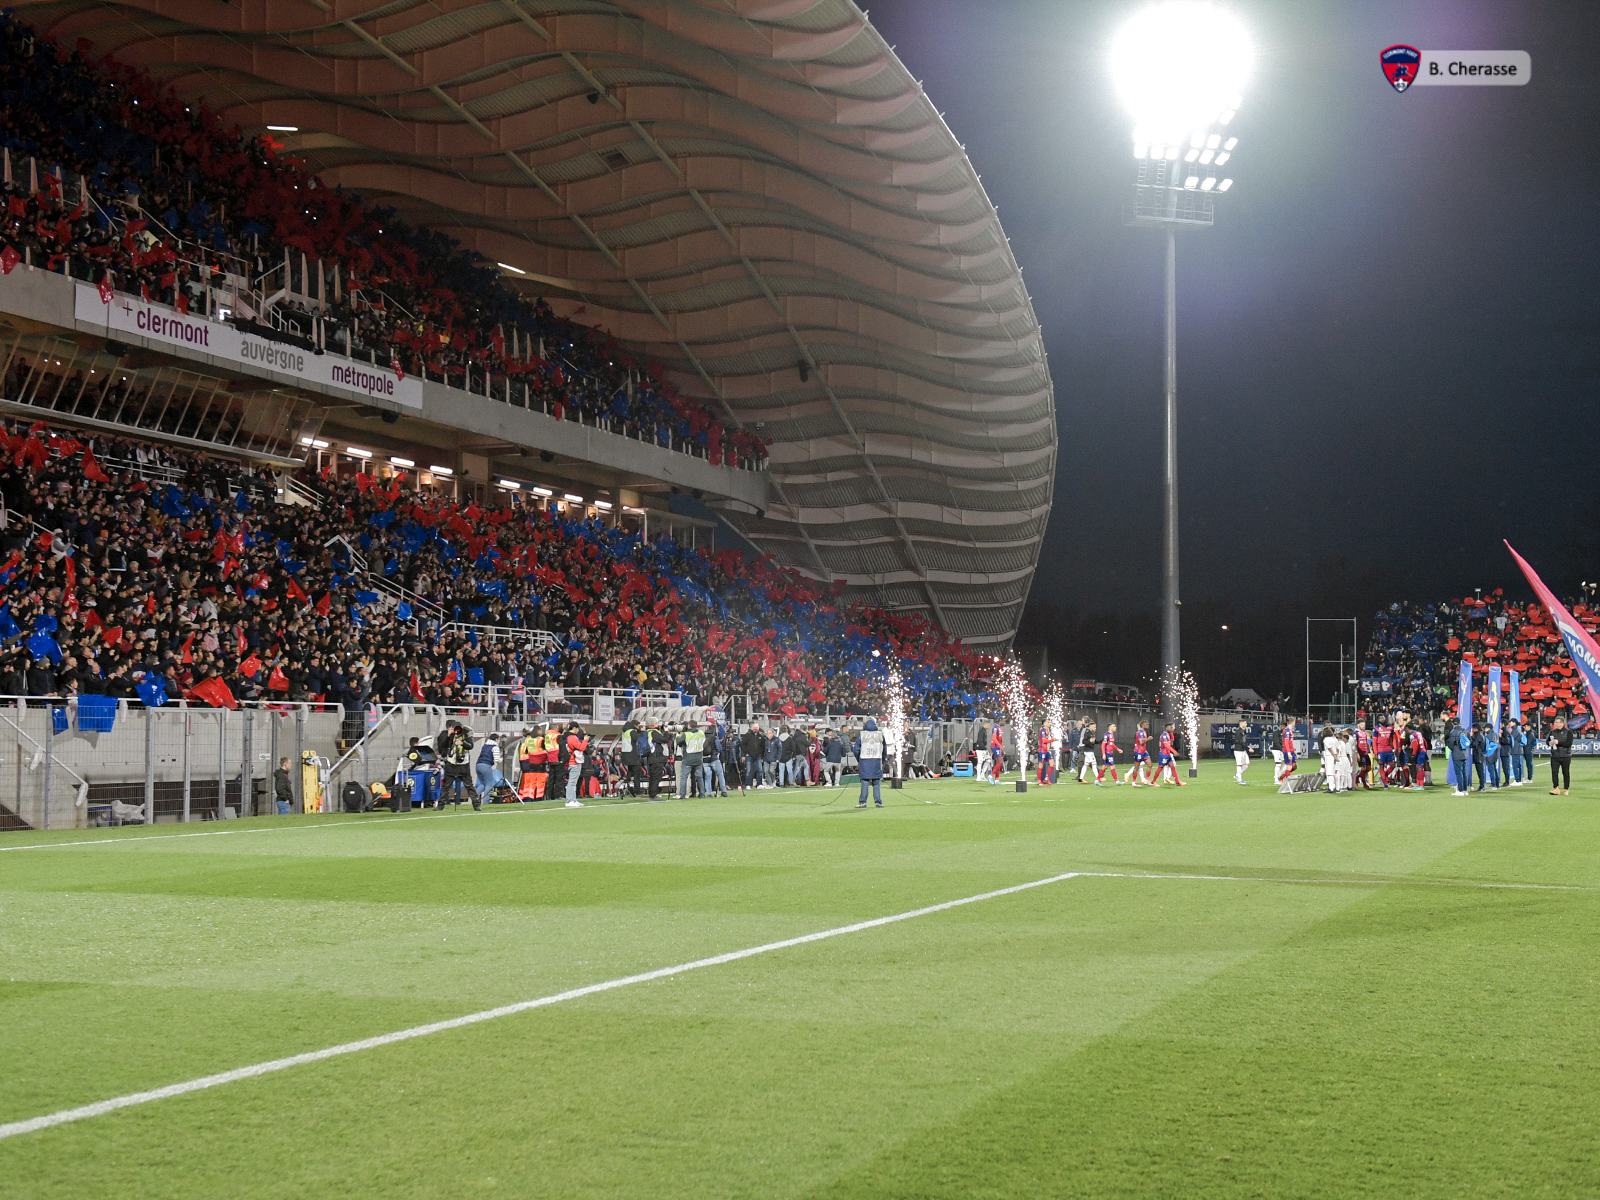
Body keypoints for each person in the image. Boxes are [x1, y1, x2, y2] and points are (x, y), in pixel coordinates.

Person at [438, 721, 479, 810]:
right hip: (451, 763)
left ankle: (476, 805)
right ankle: (440, 805)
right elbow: (442, 746)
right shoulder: (449, 735)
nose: (457, 731)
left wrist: (462, 743)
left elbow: (471, 746)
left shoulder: (467, 733)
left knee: (469, 786)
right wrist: (448, 736)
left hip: (464, 764)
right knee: (446, 786)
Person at [855, 717, 884, 808]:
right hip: (876, 760)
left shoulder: (862, 734)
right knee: (876, 783)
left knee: (865, 782)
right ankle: (878, 802)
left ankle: (863, 802)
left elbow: (856, 749)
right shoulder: (880, 734)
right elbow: (885, 750)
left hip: (864, 760)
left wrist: (858, 759)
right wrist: (882, 761)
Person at [564, 722, 589, 805]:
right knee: (572, 782)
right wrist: (585, 741)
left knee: (573, 782)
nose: (578, 730)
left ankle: (573, 799)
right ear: (574, 728)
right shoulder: (572, 737)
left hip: (574, 761)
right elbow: (581, 747)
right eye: (577, 728)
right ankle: (569, 800)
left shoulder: (569, 737)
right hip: (574, 762)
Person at [1548, 715, 1573, 795]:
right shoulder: (1552, 732)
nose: (1557, 724)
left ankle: (1566, 789)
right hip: (1555, 755)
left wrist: (1558, 742)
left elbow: (1569, 743)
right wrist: (1550, 743)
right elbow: (1547, 741)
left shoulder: (1568, 732)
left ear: (1563, 723)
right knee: (1554, 772)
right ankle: (1556, 788)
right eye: (1556, 722)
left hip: (1566, 755)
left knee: (1565, 773)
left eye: (1559, 723)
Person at [475, 731, 500, 800]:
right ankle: (486, 801)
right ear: (496, 739)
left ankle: (474, 799)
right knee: (489, 784)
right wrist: (501, 759)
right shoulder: (495, 747)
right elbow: (496, 759)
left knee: (482, 784)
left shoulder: (485, 746)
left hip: (478, 765)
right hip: (486, 765)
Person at [742, 722, 766, 790]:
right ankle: (748, 784)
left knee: (760, 770)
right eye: (754, 727)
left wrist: (761, 755)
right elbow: (743, 745)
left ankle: (759, 784)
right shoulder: (747, 736)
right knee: (748, 771)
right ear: (751, 728)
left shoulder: (761, 737)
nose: (756, 729)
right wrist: (746, 753)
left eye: (757, 728)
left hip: (758, 756)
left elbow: (763, 747)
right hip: (749, 756)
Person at [1129, 720, 1153, 787]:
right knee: (1137, 767)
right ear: (1142, 725)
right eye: (1146, 724)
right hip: (1138, 752)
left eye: (1148, 724)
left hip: (1143, 751)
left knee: (1150, 764)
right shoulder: (1140, 732)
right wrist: (1148, 739)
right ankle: (1133, 782)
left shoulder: (1144, 732)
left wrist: (1145, 749)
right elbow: (1141, 742)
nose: (1147, 725)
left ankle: (1146, 780)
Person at [1354, 720, 1374, 790]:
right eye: (1362, 724)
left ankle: (1356, 778)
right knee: (1363, 768)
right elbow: (1355, 744)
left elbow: (1366, 742)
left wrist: (1371, 751)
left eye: (1364, 724)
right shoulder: (1356, 733)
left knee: (1369, 768)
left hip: (1366, 753)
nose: (1363, 726)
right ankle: (1364, 784)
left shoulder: (1364, 733)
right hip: (1360, 753)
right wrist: (1357, 753)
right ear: (1358, 725)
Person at [1231, 719, 1251, 785]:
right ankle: (1240, 780)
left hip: (1243, 750)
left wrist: (1247, 747)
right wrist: (1248, 748)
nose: (1246, 724)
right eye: (1245, 723)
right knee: (1239, 765)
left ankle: (1237, 775)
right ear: (1241, 724)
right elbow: (1240, 741)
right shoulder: (1238, 732)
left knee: (1247, 763)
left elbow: (1244, 741)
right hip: (1238, 750)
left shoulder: (1243, 731)